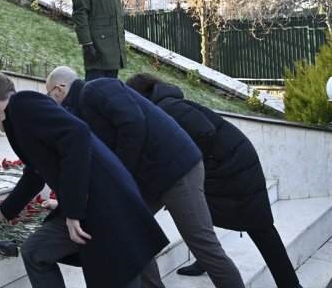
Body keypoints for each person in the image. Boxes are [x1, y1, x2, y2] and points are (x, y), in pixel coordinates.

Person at [45, 66, 245, 288]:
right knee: (129, 231)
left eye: (50, 96)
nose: (52, 103)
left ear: (60, 89)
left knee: (204, 246)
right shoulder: (81, 114)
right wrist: (68, 203)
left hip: (177, 168)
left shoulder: (96, 88)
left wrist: (121, 172)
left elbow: (133, 122)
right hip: (153, 176)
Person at [0, 72, 169, 288]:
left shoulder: (22, 104)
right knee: (36, 252)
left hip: (102, 201)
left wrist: (73, 211)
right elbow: (35, 174)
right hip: (92, 203)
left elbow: (77, 133)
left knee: (118, 274)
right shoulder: (18, 117)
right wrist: (3, 212)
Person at [125, 73, 303, 288]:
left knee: (260, 227)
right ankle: (203, 261)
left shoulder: (168, 107)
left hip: (233, 165)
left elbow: (205, 131)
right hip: (222, 162)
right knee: (200, 213)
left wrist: (196, 160)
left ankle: (291, 285)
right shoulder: (164, 105)